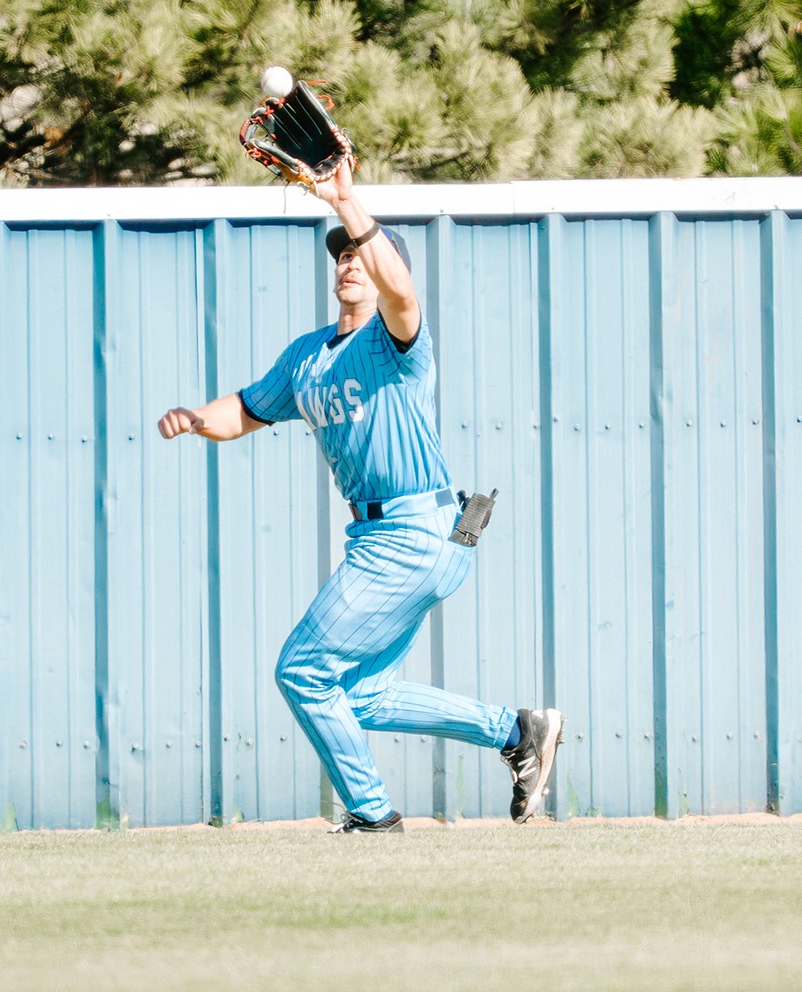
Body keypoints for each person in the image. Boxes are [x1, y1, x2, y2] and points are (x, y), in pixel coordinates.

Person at [156, 158, 565, 833]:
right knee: (361, 695)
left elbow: (400, 291)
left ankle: (373, 815)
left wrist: (346, 202)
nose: (349, 260)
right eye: (342, 254)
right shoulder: (307, 357)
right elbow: (245, 411)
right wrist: (197, 418)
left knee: (302, 671)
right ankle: (517, 733)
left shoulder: (397, 341)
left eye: (360, 253)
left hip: (417, 527)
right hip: (389, 537)